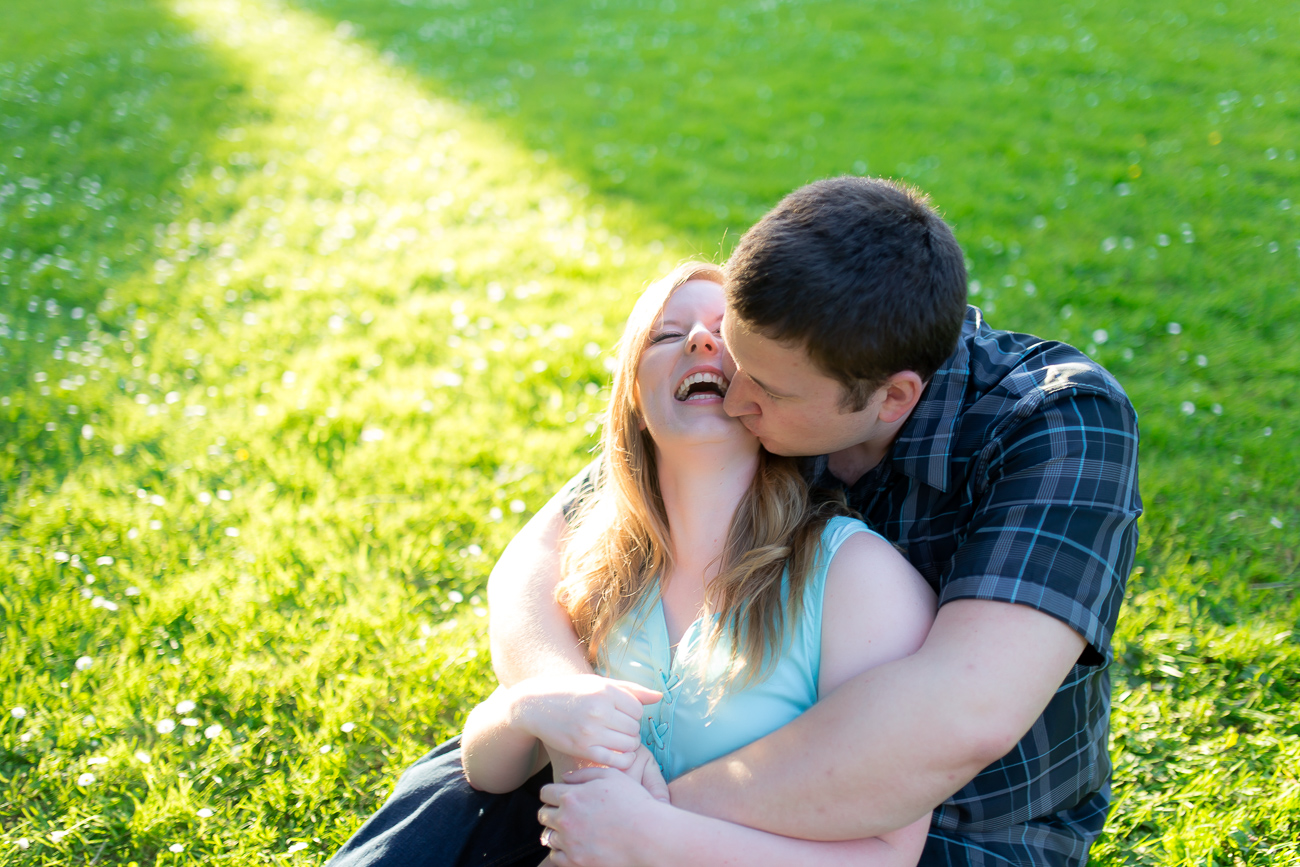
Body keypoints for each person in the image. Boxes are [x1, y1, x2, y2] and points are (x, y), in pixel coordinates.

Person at [329, 176, 1141, 867]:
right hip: (692, 743)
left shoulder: (1058, 425)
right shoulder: (788, 353)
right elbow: (540, 552)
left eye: (766, 390)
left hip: (961, 826)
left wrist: (650, 818)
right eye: (730, 355)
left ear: (892, 398)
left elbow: (955, 719)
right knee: (463, 788)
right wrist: (558, 695)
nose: (734, 391)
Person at [458, 263, 936, 865]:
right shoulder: (589, 565)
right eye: (666, 335)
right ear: (633, 396)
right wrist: (527, 705)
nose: (700, 341)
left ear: (771, 386)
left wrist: (653, 837)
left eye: (726, 335)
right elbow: (487, 772)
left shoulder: (856, 576)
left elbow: (889, 855)